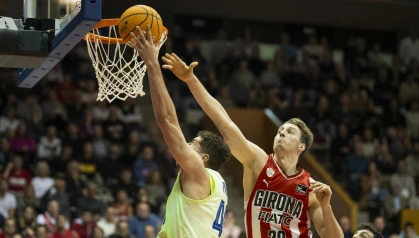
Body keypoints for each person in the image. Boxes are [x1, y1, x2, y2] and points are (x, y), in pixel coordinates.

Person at [161, 53, 343, 237]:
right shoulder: (258, 162)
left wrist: (326, 207)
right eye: (281, 130)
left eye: (290, 132)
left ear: (301, 146)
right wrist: (190, 79)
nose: (282, 132)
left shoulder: (311, 187)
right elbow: (224, 122)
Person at [129, 26, 232, 237]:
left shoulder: (197, 172)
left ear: (203, 157)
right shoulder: (212, 180)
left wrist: (151, 63)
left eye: (192, 143)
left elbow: (165, 120)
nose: (185, 144)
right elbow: (173, 121)